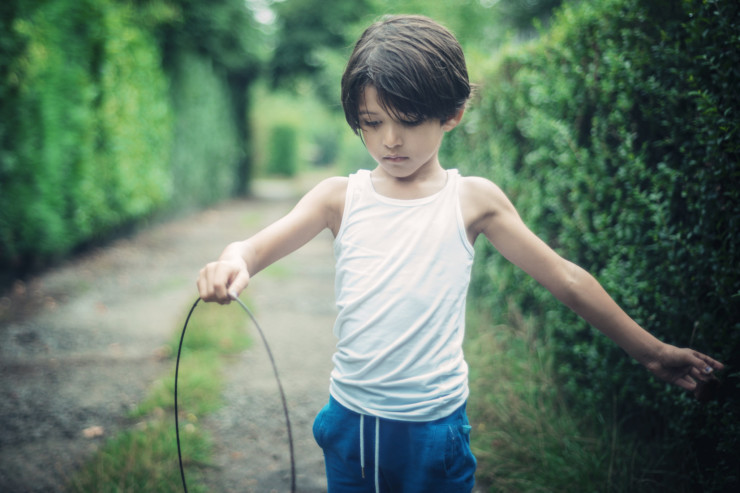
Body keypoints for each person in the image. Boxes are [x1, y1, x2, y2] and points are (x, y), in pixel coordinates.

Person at [197, 14, 723, 493]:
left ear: (452, 112)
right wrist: (231, 263)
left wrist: (653, 353)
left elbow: (565, 278)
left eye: (408, 119)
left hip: (435, 427)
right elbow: (253, 247)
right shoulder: (341, 196)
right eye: (372, 121)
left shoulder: (472, 200)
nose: (390, 140)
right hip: (351, 422)